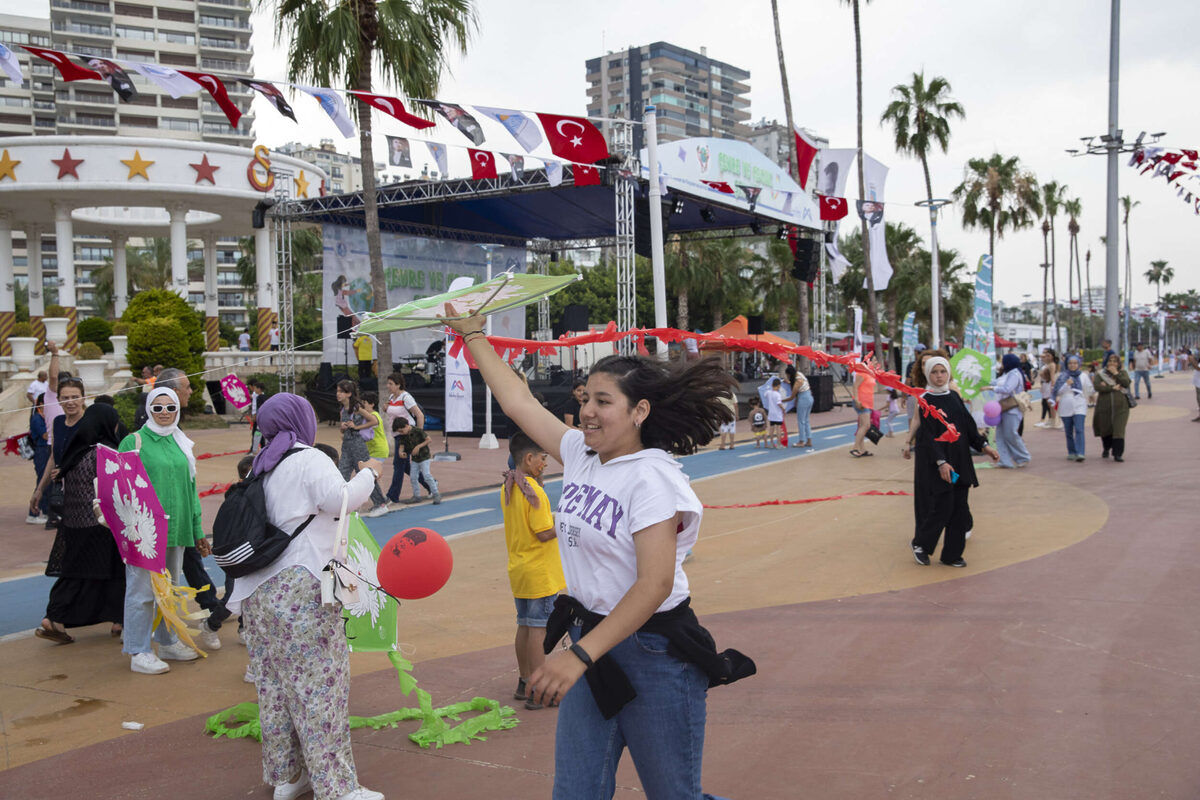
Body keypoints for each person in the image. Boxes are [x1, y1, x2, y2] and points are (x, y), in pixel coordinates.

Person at [444, 306, 753, 800]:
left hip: (655, 654)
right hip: (591, 644)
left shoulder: (652, 478)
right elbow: (519, 401)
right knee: (575, 792)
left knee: (675, 796)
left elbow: (653, 585)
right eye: (586, 397)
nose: (588, 409)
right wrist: (475, 336)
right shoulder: (584, 456)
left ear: (639, 411)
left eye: (604, 401)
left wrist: (579, 656)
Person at [226, 393, 384, 800]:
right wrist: (370, 473)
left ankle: (289, 778)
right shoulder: (309, 458)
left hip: (259, 593)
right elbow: (341, 500)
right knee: (320, 687)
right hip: (303, 586)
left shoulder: (263, 464)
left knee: (275, 688)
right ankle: (337, 788)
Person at [119, 387, 208, 670]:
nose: (165, 413)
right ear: (148, 410)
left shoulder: (182, 443)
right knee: (141, 591)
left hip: (177, 526)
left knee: (170, 589)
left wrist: (197, 529)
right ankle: (138, 650)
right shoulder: (134, 442)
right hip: (144, 530)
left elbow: (191, 489)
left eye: (170, 407)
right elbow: (120, 488)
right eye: (158, 408)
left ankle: (168, 642)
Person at [35, 403, 127, 644]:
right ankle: (57, 617)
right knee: (112, 571)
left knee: (78, 571)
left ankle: (117, 617)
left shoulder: (77, 451)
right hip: (100, 525)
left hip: (74, 524)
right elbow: (117, 490)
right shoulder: (105, 453)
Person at [904, 357, 999, 567]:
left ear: (948, 373)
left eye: (942, 371)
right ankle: (921, 544)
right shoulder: (925, 399)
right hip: (941, 465)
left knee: (959, 507)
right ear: (928, 374)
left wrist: (985, 446)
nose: (939, 376)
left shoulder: (954, 397)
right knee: (943, 506)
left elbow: (968, 426)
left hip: (959, 462)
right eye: (934, 372)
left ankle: (952, 555)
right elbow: (928, 435)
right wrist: (941, 462)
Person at [501, 433, 565, 711]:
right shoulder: (535, 492)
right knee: (539, 628)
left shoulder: (509, 486)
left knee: (525, 624)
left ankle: (524, 680)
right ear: (529, 458)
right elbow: (544, 533)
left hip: (519, 568)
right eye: (543, 458)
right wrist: (563, 522)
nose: (545, 464)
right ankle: (540, 688)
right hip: (540, 571)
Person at [30, 367, 85, 530]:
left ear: (83, 398)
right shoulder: (58, 422)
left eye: (75, 397)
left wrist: (66, 470)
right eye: (65, 397)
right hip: (65, 497)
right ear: (59, 400)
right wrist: (39, 490)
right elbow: (54, 457)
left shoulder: (91, 423)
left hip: (88, 497)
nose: (70, 402)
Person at [335, 380, 390, 516]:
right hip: (347, 445)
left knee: (366, 474)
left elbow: (374, 421)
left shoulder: (357, 407)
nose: (338, 394)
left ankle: (381, 503)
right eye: (337, 391)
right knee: (342, 473)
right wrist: (342, 428)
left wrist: (357, 427)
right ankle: (344, 504)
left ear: (349, 393)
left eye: (341, 391)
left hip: (358, 444)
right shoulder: (343, 409)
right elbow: (342, 431)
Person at [383, 372, 429, 501]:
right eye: (388, 383)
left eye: (391, 384)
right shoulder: (392, 397)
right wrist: (385, 408)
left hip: (407, 435)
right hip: (397, 435)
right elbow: (392, 412)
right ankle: (431, 484)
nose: (388, 386)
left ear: (398, 385)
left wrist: (418, 435)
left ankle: (392, 496)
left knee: (398, 465)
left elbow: (419, 415)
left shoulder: (406, 397)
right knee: (405, 466)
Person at [1051, 353, 1094, 462]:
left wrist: (1091, 395)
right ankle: (1071, 452)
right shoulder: (1062, 376)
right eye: (1070, 363)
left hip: (1080, 404)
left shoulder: (1083, 376)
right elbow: (1057, 392)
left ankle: (1080, 452)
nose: (1072, 365)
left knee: (1079, 429)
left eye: (1075, 363)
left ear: (1079, 364)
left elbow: (1089, 389)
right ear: (1066, 364)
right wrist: (1066, 385)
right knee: (1069, 431)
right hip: (1066, 404)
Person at [994, 353, 1032, 468]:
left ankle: (1023, 456)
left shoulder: (1015, 374)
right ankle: (1004, 460)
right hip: (1002, 407)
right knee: (1000, 435)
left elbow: (1007, 389)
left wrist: (992, 388)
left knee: (1011, 434)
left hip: (1012, 408)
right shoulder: (1007, 373)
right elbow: (997, 382)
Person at [1093, 352, 1132, 461]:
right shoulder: (1100, 374)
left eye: (1115, 361)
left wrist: (1116, 374)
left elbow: (1126, 383)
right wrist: (1112, 388)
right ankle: (1106, 448)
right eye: (1110, 361)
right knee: (1105, 429)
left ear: (1119, 363)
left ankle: (1117, 453)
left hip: (1121, 407)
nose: (1112, 363)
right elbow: (1097, 386)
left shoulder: (1123, 373)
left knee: (1119, 429)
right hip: (1104, 406)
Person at [394, 416, 440, 505]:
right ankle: (416, 495)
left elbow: (428, 440)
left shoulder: (417, 431)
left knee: (427, 475)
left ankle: (436, 493)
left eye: (401, 430)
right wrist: (400, 452)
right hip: (415, 459)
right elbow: (402, 445)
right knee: (413, 477)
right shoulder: (403, 436)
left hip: (424, 457)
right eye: (399, 432)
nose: (401, 433)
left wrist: (418, 446)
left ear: (407, 425)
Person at [358, 392, 390, 515]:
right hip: (373, 450)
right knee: (376, 476)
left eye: (364, 403)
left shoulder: (374, 415)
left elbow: (372, 423)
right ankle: (383, 499)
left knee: (372, 476)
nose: (362, 405)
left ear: (371, 404)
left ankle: (381, 502)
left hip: (379, 450)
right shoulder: (367, 416)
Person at [28, 393, 50, 524]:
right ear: (41, 404)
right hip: (41, 451)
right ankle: (32, 514)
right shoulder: (37, 418)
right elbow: (45, 436)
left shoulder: (44, 417)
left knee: (48, 483)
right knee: (42, 482)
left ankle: (46, 511)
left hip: (45, 450)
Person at [850, 354, 877, 458]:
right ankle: (855, 447)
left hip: (868, 402)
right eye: (874, 360)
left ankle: (862, 449)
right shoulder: (862, 373)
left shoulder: (870, 373)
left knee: (862, 426)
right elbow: (855, 386)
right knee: (866, 425)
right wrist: (857, 400)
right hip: (861, 402)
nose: (876, 363)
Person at [782, 365, 814, 449]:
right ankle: (809, 440)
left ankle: (801, 441)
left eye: (787, 375)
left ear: (790, 374)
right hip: (809, 397)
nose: (787, 377)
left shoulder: (797, 383)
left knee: (801, 421)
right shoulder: (800, 374)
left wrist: (782, 400)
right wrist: (788, 382)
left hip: (803, 399)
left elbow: (792, 397)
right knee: (806, 420)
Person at [1036, 349, 1060, 429]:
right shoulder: (1047, 364)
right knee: (1049, 404)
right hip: (1045, 384)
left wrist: (1053, 387)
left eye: (1049, 356)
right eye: (1046, 356)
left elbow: (1052, 377)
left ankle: (1054, 421)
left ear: (1052, 356)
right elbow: (1041, 356)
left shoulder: (1052, 365)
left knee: (1052, 404)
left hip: (1049, 384)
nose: (1046, 357)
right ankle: (1051, 420)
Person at [764, 377, 784, 449]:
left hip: (771, 413)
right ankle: (778, 444)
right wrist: (783, 409)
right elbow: (779, 403)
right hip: (777, 414)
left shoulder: (768, 393)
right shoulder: (778, 394)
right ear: (778, 386)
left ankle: (771, 443)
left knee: (771, 428)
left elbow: (765, 394)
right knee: (778, 428)